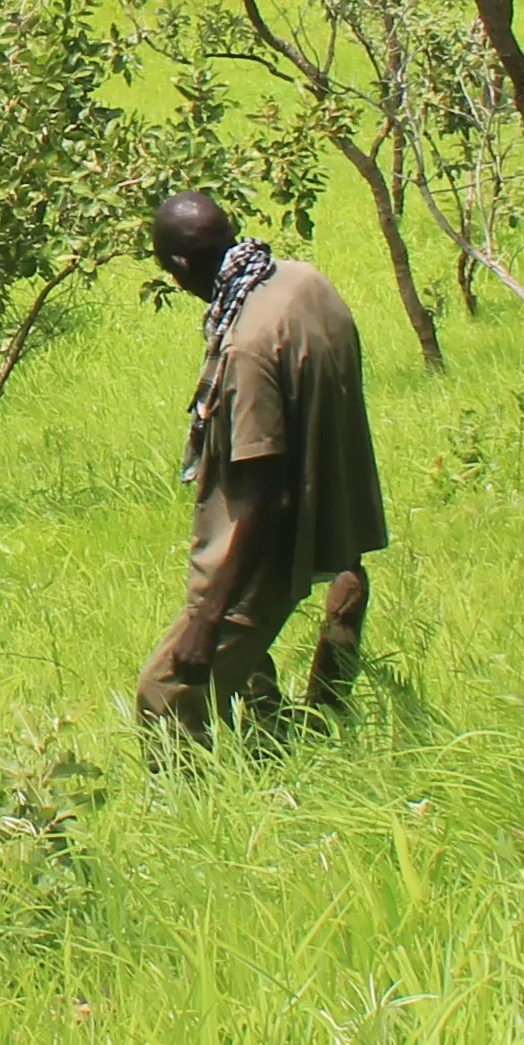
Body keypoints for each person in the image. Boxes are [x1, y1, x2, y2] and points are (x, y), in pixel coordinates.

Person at [138, 190, 388, 740]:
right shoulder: (302, 281)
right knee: (253, 673)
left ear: (180, 267)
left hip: (264, 544)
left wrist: (206, 622)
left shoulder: (248, 346)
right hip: (329, 508)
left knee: (165, 698)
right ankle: (298, 730)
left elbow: (267, 496)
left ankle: (192, 812)